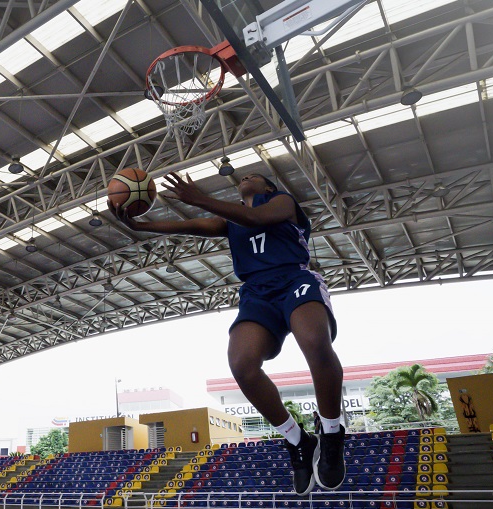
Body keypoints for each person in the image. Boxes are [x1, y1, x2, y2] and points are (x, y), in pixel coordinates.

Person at [111, 171, 345, 496]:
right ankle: (297, 439)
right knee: (242, 364)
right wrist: (140, 226)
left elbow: (254, 217)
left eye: (254, 175)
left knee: (314, 341)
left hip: (294, 279)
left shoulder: (281, 202)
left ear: (268, 187)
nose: (246, 176)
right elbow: (191, 226)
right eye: (242, 178)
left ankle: (332, 433)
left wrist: (200, 198)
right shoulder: (230, 220)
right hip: (257, 293)